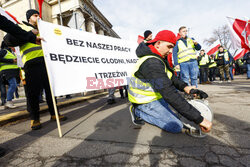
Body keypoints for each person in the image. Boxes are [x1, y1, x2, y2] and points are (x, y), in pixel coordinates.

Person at [128, 30, 212, 134]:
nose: (171, 51)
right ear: (158, 44)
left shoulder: (158, 58)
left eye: (172, 47)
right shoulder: (151, 63)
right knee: (176, 126)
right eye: (169, 46)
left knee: (179, 116)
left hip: (156, 97)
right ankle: (138, 111)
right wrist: (200, 119)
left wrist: (185, 87)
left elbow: (171, 77)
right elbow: (169, 93)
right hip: (144, 101)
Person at [4, 9, 67, 130]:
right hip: (31, 64)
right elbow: (8, 41)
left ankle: (54, 114)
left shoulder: (45, 29)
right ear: (29, 18)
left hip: (47, 63)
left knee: (50, 91)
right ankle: (35, 118)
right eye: (35, 15)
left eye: (39, 15)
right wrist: (31, 35)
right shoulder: (21, 27)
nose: (38, 17)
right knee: (32, 93)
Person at [0, 42, 19, 108]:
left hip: (10, 71)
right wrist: (12, 61)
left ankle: (7, 103)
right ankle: (9, 102)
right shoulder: (4, 51)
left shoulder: (9, 52)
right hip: (7, 71)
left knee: (12, 85)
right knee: (13, 85)